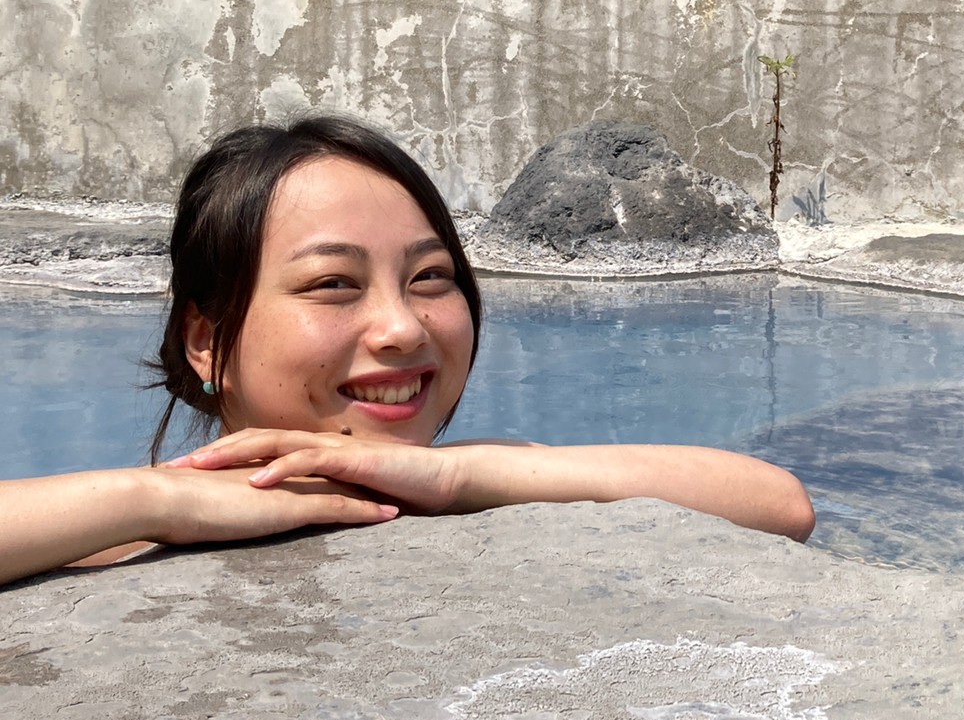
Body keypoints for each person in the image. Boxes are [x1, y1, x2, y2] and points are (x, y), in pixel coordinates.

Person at [0, 116, 813, 587]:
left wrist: (464, 474)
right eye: (332, 285)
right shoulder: (113, 537)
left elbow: (778, 505)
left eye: (430, 276)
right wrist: (163, 502)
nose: (402, 328)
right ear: (208, 342)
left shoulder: (476, 476)